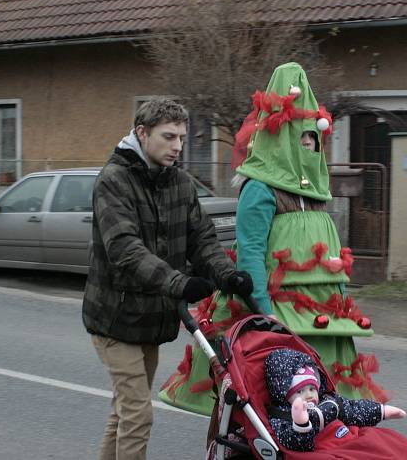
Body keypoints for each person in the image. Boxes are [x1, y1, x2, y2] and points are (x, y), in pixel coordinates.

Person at [159, 63, 387, 416]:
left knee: (325, 404)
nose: (310, 147)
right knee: (273, 406)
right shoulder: (260, 189)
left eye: (314, 139)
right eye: (302, 139)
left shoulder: (314, 193)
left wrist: (341, 303)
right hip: (273, 318)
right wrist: (264, 314)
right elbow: (250, 253)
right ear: (281, 140)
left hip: (322, 323)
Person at [82, 96, 252, 460]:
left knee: (124, 413)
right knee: (138, 415)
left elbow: (202, 239)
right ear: (142, 133)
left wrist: (227, 275)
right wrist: (179, 283)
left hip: (151, 319)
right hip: (115, 318)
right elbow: (125, 249)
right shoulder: (113, 181)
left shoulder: (180, 183)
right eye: (168, 136)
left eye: (182, 138)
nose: (177, 146)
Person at [264, 348, 406, 452]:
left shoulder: (326, 400)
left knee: (388, 442)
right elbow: (294, 444)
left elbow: (352, 409)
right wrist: (301, 424)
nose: (309, 395)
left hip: (346, 437)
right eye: (300, 391)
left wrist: (382, 411)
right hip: (324, 449)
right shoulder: (281, 416)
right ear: (285, 394)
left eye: (312, 389)